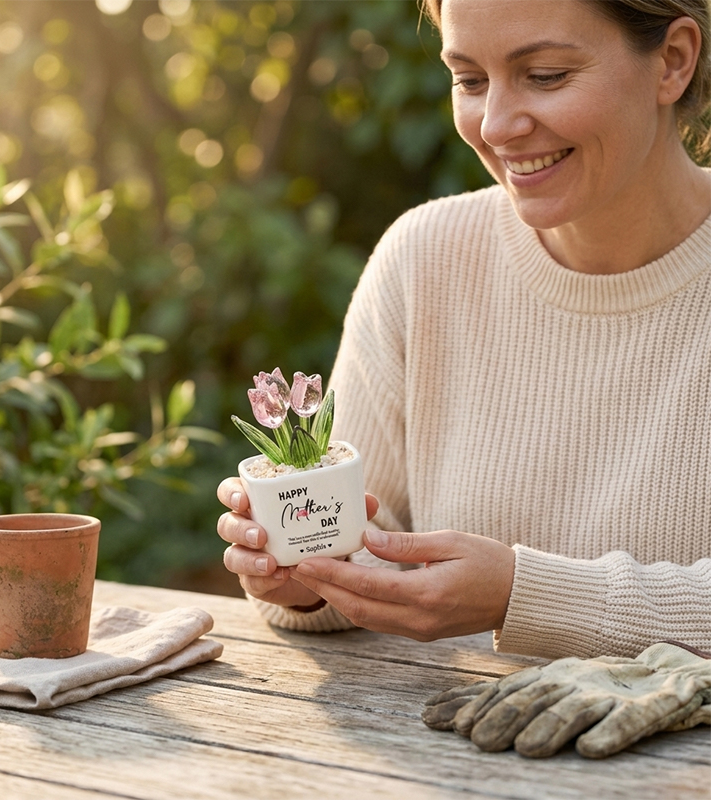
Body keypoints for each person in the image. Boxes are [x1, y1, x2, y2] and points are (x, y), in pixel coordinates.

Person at [217, 0, 711, 659]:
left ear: (673, 61)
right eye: (471, 81)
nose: (498, 125)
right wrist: (299, 576)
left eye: (545, 75)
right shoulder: (424, 260)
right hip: (443, 753)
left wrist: (523, 595)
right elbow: (366, 543)